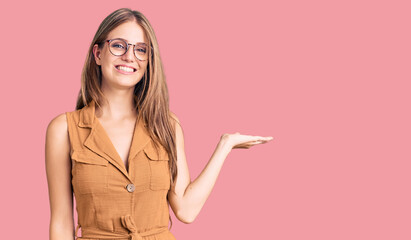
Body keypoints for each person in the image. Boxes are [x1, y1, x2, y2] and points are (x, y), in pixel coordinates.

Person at [45, 8, 273, 240]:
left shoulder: (166, 124)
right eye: (118, 45)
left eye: (141, 50)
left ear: (148, 61)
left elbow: (186, 209)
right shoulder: (63, 129)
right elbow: (61, 223)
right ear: (98, 53)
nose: (129, 56)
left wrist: (225, 145)